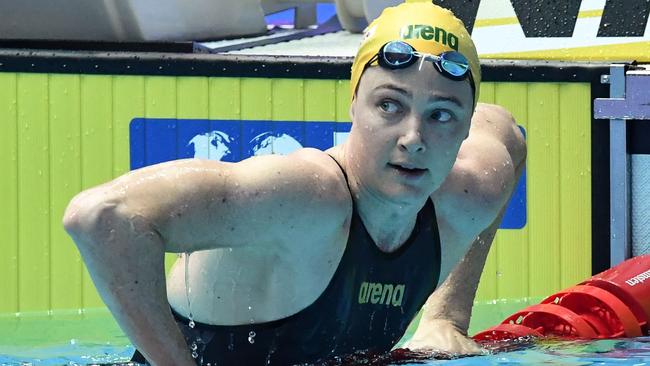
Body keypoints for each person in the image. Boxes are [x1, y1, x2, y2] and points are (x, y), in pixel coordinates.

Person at [62, 1, 526, 365]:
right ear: (353, 106)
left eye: (441, 114)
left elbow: (507, 130)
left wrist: (447, 317)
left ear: (464, 128)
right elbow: (102, 217)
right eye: (389, 105)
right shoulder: (304, 197)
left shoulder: (470, 192)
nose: (414, 138)